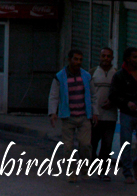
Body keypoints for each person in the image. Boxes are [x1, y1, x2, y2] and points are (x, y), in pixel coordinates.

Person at [48, 48, 95, 183]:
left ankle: (85, 169)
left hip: (84, 116)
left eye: (80, 60)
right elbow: (54, 96)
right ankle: (71, 172)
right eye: (75, 59)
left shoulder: (86, 76)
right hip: (68, 117)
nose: (78, 62)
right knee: (68, 147)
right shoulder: (60, 76)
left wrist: (94, 112)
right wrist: (53, 113)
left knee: (85, 145)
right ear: (69, 60)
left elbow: (93, 96)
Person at [111, 46, 137, 184]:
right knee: (126, 144)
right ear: (128, 58)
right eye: (135, 57)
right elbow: (114, 95)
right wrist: (126, 103)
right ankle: (127, 173)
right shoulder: (120, 75)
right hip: (127, 114)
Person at [92, 47, 118, 180]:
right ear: (100, 57)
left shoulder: (117, 74)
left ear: (112, 58)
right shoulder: (93, 73)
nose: (106, 59)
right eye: (104, 56)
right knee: (92, 143)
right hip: (95, 115)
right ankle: (91, 164)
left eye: (108, 56)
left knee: (107, 145)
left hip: (110, 116)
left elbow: (121, 93)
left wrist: (113, 102)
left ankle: (103, 171)